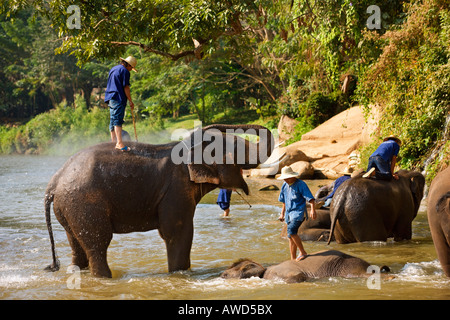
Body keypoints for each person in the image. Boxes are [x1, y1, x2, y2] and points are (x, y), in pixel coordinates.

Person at [277, 166, 317, 261]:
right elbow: (284, 201)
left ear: (292, 176)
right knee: (290, 237)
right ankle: (293, 258)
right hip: (289, 214)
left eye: (287, 178)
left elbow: (310, 198)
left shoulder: (301, 184)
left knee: (291, 231)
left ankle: (303, 251)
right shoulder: (284, 185)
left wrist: (312, 210)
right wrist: (282, 214)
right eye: (284, 178)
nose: (286, 180)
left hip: (298, 213)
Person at [104, 56, 137, 152]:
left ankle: (113, 141)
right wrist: (130, 101)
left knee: (113, 119)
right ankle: (119, 143)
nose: (131, 70)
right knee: (118, 120)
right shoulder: (125, 71)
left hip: (110, 97)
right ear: (129, 65)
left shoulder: (113, 69)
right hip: (118, 97)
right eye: (131, 68)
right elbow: (126, 87)